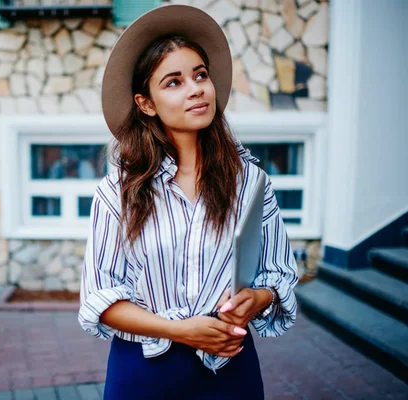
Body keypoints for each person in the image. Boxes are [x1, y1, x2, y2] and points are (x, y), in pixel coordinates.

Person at [78, 5, 299, 400]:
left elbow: (278, 274)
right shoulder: (119, 191)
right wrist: (179, 330)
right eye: (174, 82)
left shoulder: (250, 182)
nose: (196, 88)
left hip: (231, 367)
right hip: (145, 371)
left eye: (200, 75)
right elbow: (99, 296)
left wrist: (255, 300)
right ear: (146, 104)